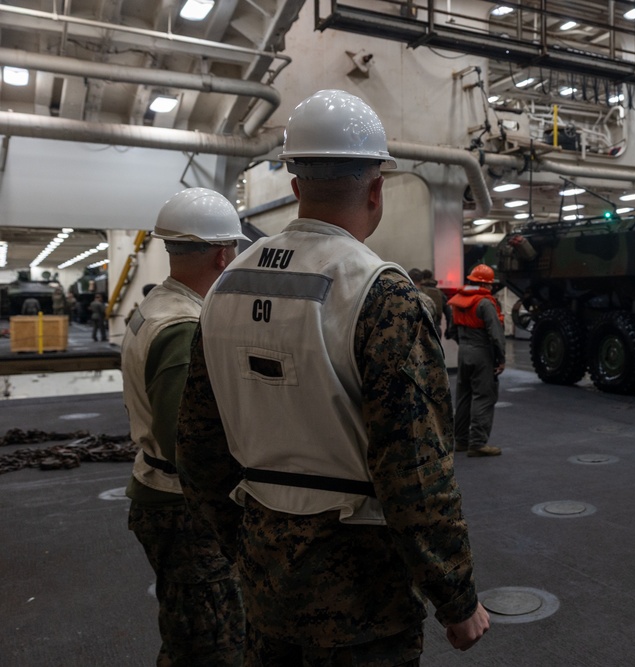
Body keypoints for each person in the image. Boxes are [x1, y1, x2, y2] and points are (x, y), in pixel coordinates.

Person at [175, 88, 489, 665]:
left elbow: (197, 452)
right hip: (363, 600)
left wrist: (247, 549)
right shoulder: (382, 296)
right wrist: (456, 598)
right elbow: (416, 477)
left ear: (295, 186)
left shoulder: (224, 289)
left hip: (265, 588)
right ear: (377, 189)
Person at [123, 187, 248, 666]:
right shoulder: (184, 326)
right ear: (222, 253)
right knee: (212, 646)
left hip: (159, 492)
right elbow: (187, 446)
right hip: (183, 508)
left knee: (184, 632)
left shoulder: (153, 308)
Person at [447, 264, 505, 457]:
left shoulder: (458, 300)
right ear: (486, 284)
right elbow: (496, 335)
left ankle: (461, 441)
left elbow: (452, 331)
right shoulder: (485, 303)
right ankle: (478, 443)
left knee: (463, 397)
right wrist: (501, 358)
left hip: (463, 352)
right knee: (484, 396)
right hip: (481, 353)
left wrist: (465, 345)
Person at [421, 268, 452, 337]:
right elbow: (449, 313)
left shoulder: (419, 292)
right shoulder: (440, 293)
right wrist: (448, 330)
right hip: (436, 328)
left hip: (421, 329)